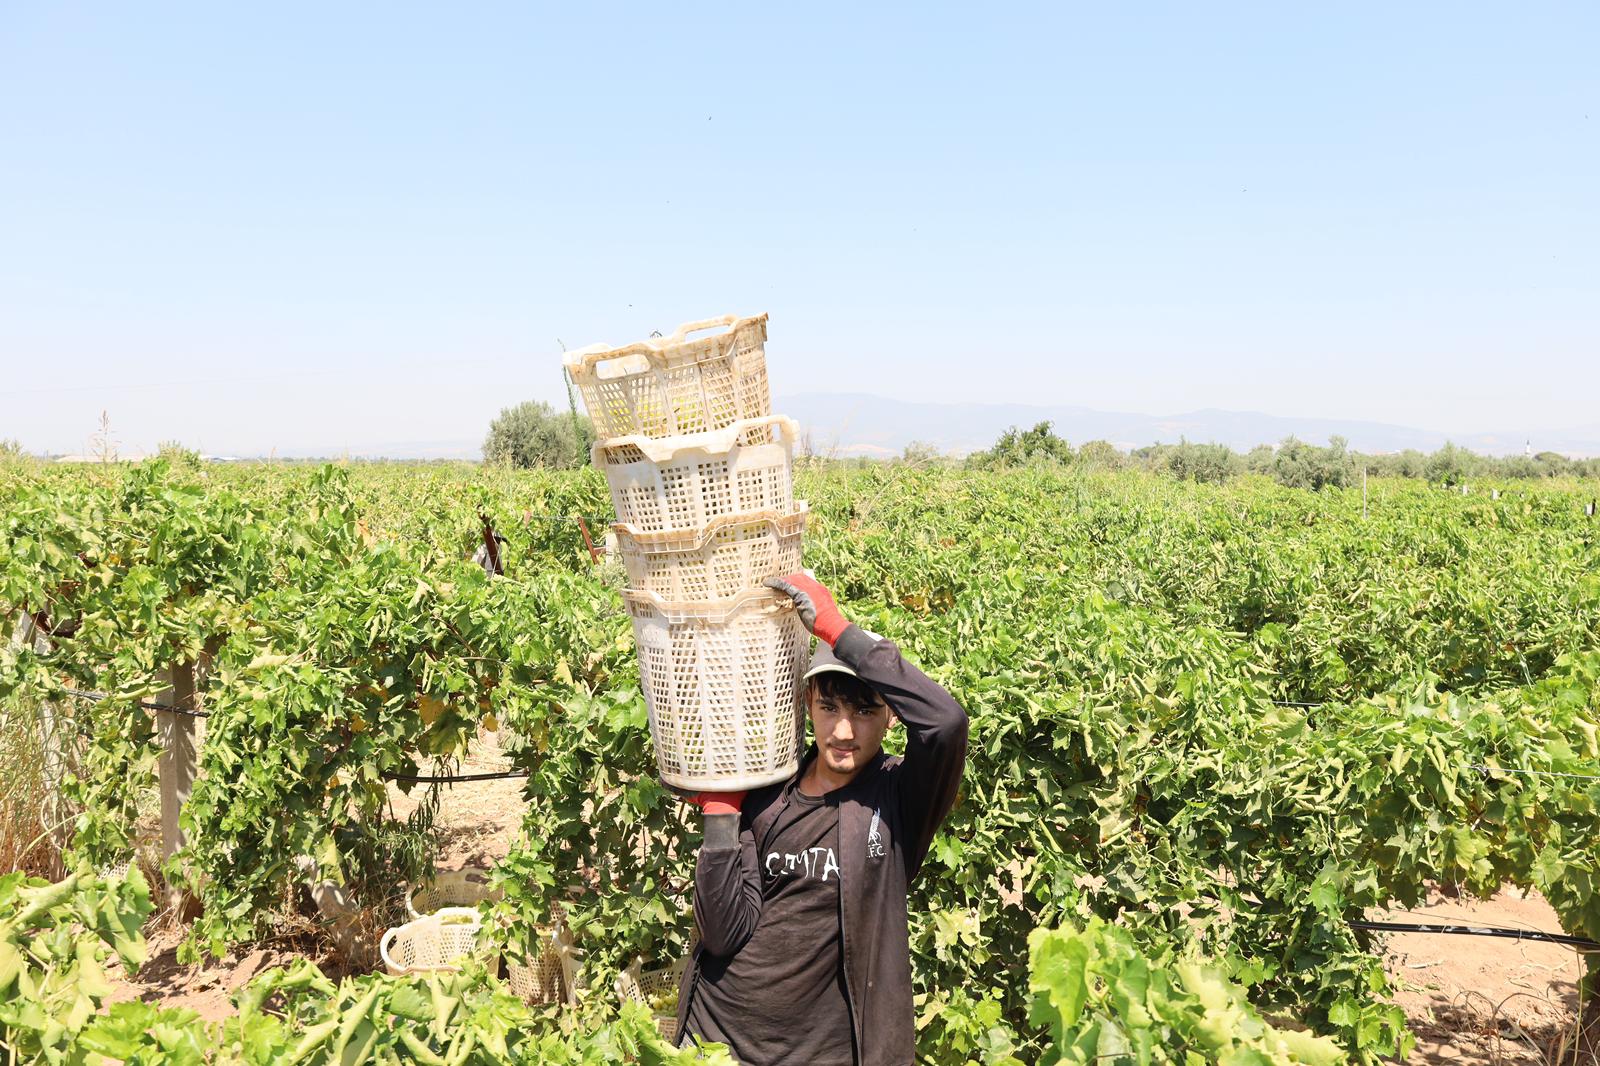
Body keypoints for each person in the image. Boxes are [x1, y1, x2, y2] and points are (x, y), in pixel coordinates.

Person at [674, 572, 969, 1065]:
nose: (843, 730)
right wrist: (723, 815)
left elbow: (946, 723)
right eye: (829, 707)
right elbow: (724, 933)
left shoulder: (897, 800)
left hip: (819, 1054)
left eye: (865, 711)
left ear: (892, 716)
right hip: (714, 1040)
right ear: (808, 702)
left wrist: (837, 631)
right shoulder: (769, 791)